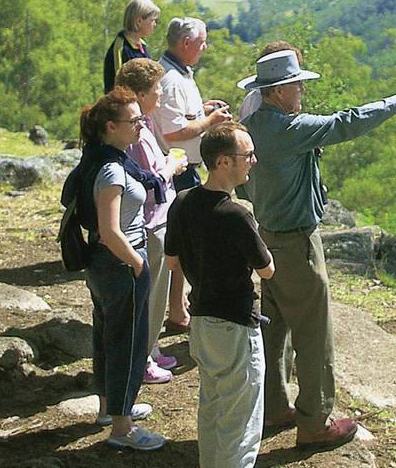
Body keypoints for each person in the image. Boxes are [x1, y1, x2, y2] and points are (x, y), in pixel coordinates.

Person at [240, 49, 396, 448]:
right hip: (297, 244)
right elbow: (347, 123)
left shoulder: (249, 128)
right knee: (313, 335)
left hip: (267, 240)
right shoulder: (289, 129)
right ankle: (314, 423)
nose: (302, 91)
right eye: (297, 84)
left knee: (275, 329)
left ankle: (275, 405)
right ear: (278, 91)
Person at [165, 122, 275, 468]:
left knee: (212, 408)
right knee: (240, 423)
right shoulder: (237, 214)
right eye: (248, 155)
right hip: (237, 326)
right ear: (223, 162)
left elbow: (172, 262)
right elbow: (267, 269)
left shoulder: (182, 201)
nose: (253, 161)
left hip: (201, 322)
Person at [65, 89, 166, 452]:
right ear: (110, 127)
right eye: (134, 121)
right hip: (120, 261)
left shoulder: (97, 158)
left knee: (108, 335)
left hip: (102, 264)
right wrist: (137, 263)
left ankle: (110, 408)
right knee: (128, 342)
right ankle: (123, 427)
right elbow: (110, 230)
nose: (141, 126)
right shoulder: (111, 169)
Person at [153, 16, 231, 331]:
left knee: (183, 241)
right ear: (186, 44)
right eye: (202, 42)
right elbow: (173, 133)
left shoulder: (178, 72)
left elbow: (181, 116)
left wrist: (203, 110)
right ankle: (176, 310)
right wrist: (210, 122)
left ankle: (177, 304)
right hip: (179, 170)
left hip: (185, 167)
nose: (205, 47)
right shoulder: (171, 79)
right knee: (182, 243)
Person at [113, 57, 179, 383]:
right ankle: (141, 360)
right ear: (140, 94)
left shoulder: (146, 125)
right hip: (151, 224)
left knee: (157, 295)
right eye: (156, 89)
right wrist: (172, 168)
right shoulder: (136, 134)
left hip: (158, 221)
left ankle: (150, 349)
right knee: (151, 297)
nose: (161, 95)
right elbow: (147, 181)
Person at [103, 0, 161, 93]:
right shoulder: (121, 47)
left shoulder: (142, 45)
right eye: (152, 20)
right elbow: (119, 84)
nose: (154, 24)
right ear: (139, 21)